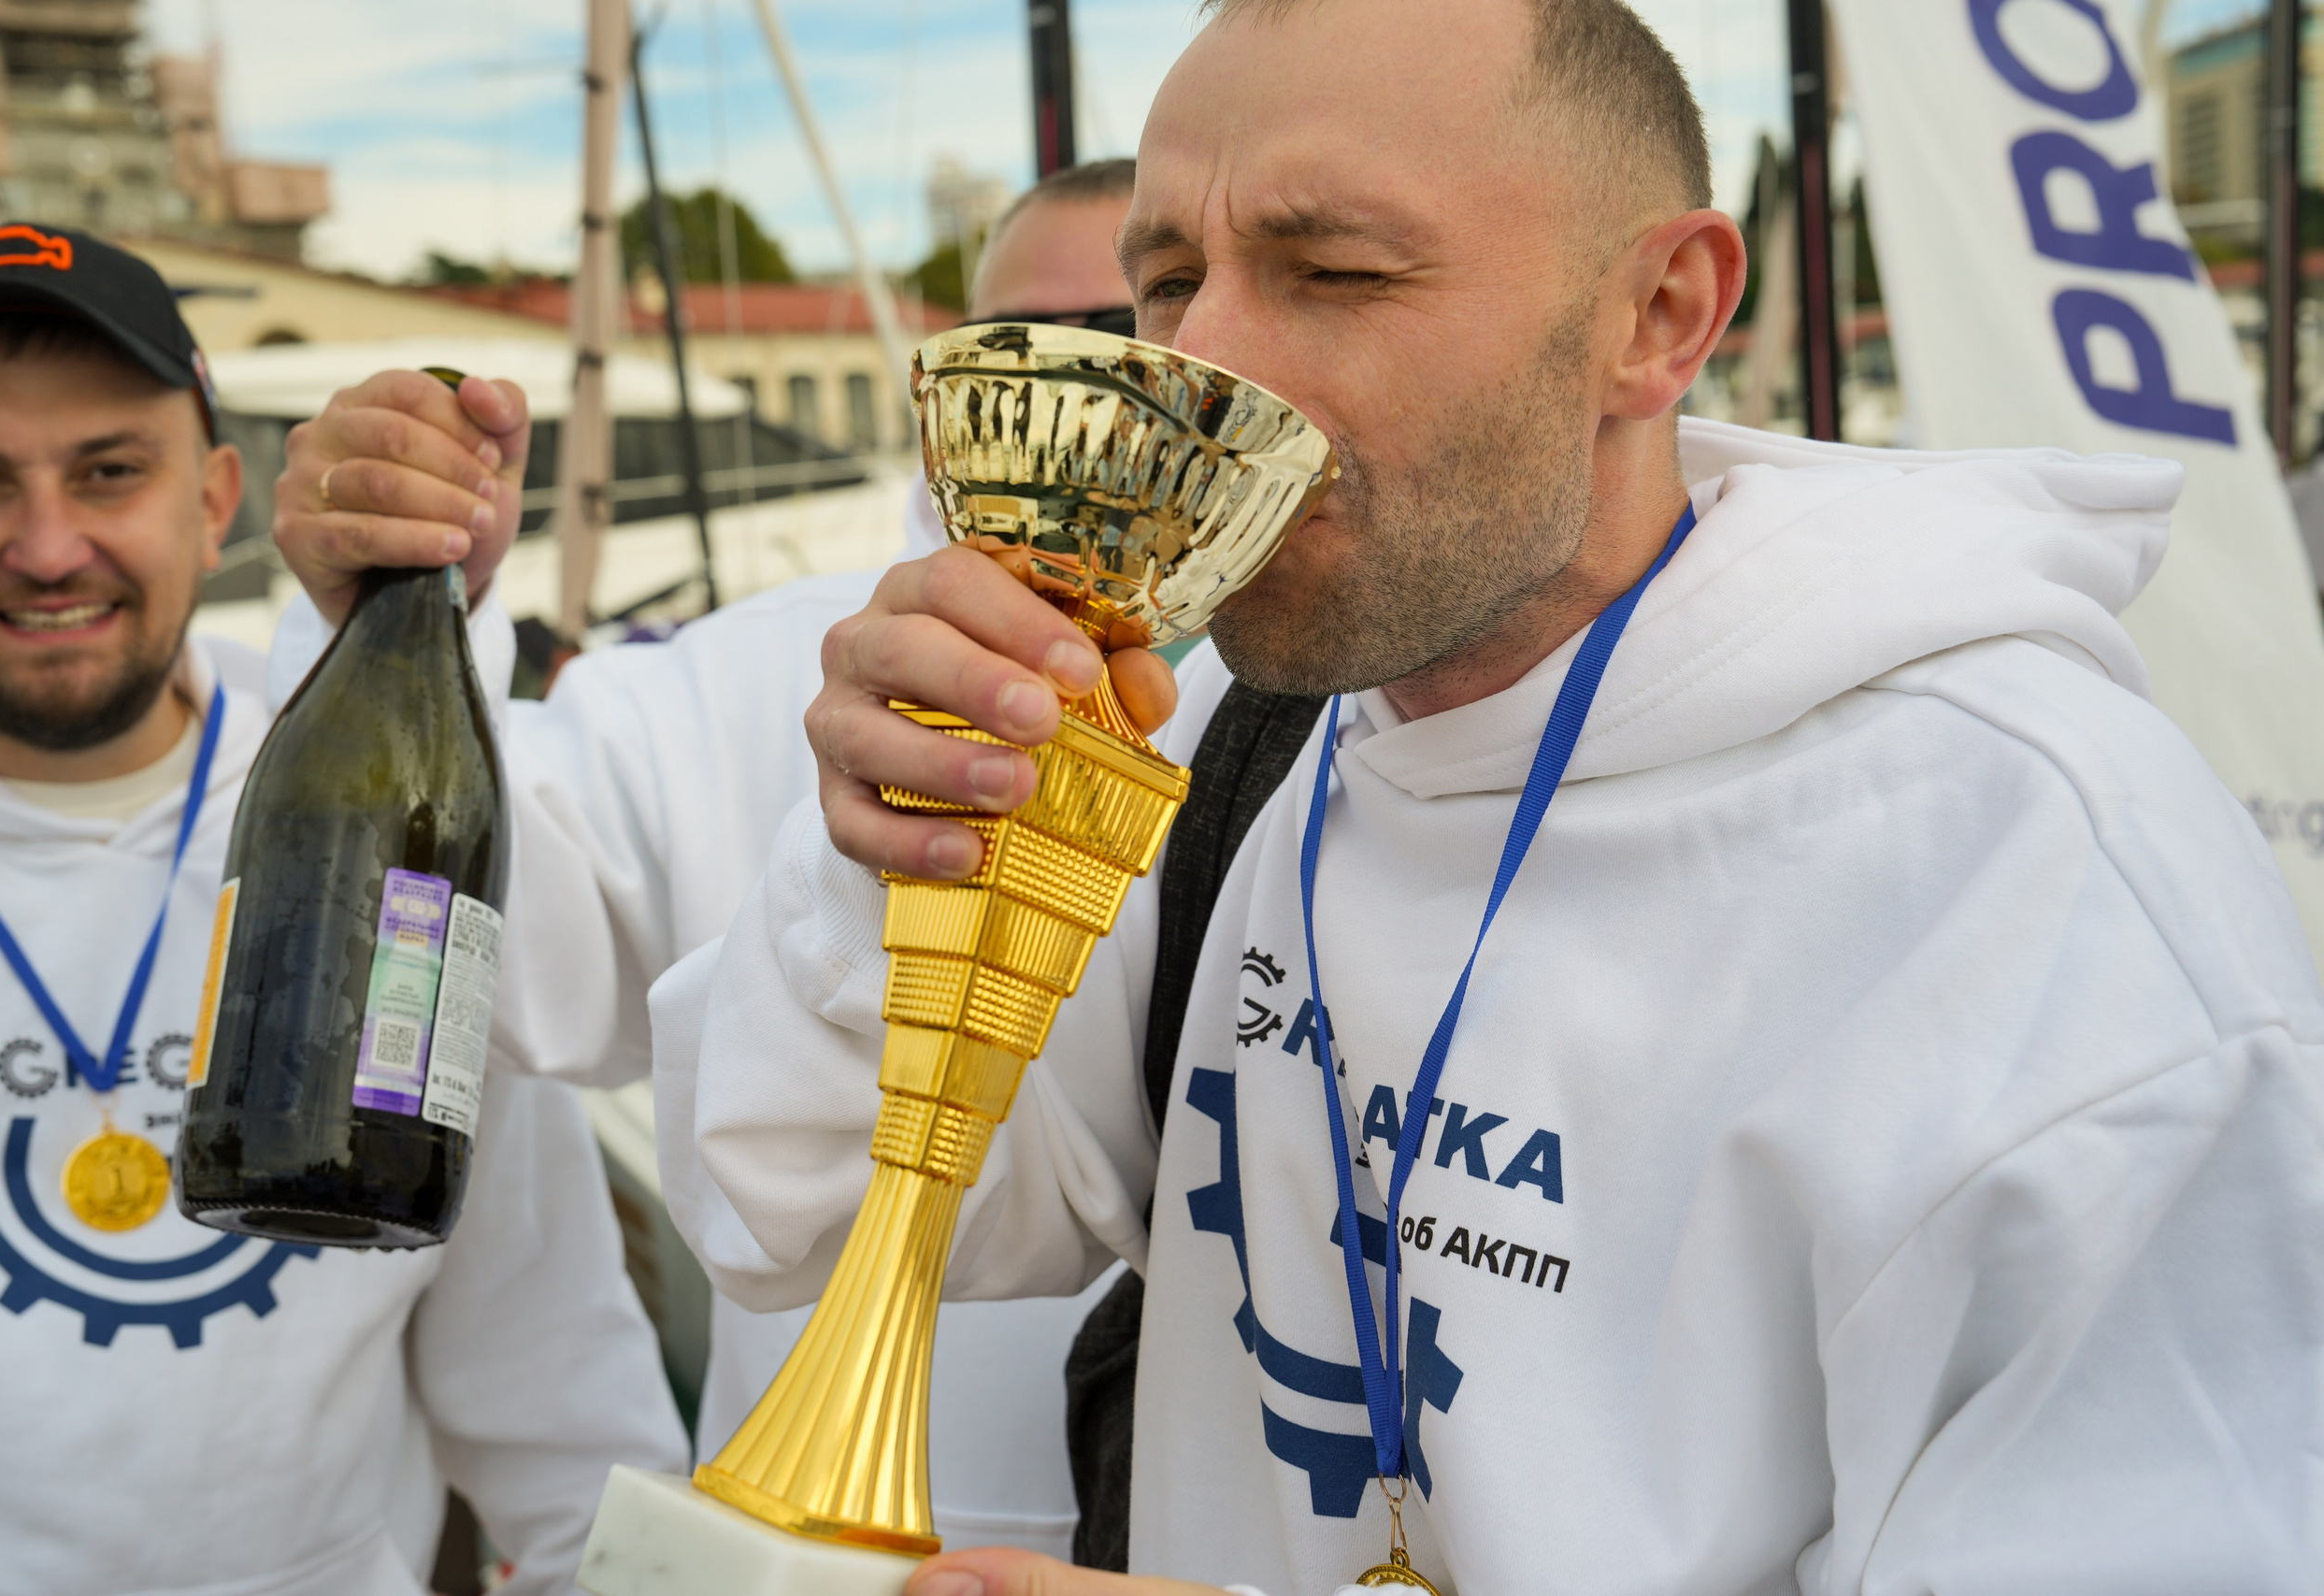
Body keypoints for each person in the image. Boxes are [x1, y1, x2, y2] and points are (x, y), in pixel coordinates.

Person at [649, 2, 2324, 1594]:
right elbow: (777, 1198)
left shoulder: (2041, 901)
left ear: (1659, 315)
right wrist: (890, 856)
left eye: (1337, 272)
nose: (1197, 367)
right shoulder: (1237, 739)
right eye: (1166, 281)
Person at [265, 160, 1144, 1559]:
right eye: (1004, 358)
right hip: (807, 1559)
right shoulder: (753, 672)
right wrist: (405, 611)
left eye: (1134, 332)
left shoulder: (1338, 704)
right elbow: (455, 924)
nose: (1074, 393)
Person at [0, 225, 688, 1595]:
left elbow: (564, 1404)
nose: (47, 548)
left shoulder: (375, 824)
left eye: (109, 470)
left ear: (216, 494)